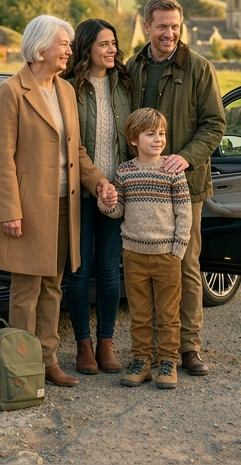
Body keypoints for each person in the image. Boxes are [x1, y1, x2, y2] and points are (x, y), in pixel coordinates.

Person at [0, 14, 113, 387]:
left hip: (64, 204)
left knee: (53, 287)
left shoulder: (65, 91)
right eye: (64, 44)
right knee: (26, 290)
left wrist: (98, 182)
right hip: (27, 209)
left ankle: (47, 362)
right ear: (41, 48)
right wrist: (10, 210)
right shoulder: (11, 91)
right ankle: (19, 370)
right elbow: (2, 158)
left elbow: (77, 151)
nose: (69, 51)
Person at [126, 0, 226, 377]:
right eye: (162, 26)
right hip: (139, 186)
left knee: (184, 264)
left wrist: (185, 157)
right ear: (147, 27)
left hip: (185, 185)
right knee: (141, 269)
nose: (169, 33)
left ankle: (188, 348)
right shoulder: (132, 67)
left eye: (174, 26)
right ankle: (150, 350)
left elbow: (215, 124)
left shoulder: (200, 68)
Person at [99, 107, 191, 390]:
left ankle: (167, 362)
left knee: (168, 314)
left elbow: (184, 213)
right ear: (133, 139)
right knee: (139, 314)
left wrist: (178, 249)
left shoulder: (172, 171)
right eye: (150, 134)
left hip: (167, 256)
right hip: (134, 255)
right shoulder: (125, 171)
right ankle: (140, 361)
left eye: (161, 133)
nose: (158, 139)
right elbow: (118, 210)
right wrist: (106, 203)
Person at [61, 18, 133, 375]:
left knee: (108, 270)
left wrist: (117, 185)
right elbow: (69, 144)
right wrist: (97, 183)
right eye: (104, 44)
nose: (112, 50)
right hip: (79, 191)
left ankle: (106, 343)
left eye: (114, 43)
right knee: (78, 270)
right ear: (86, 47)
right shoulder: (67, 88)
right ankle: (83, 345)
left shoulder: (124, 84)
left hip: (116, 192)